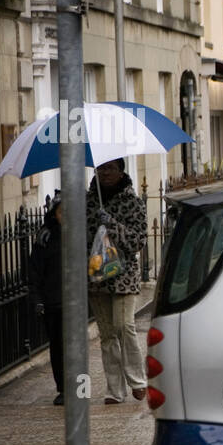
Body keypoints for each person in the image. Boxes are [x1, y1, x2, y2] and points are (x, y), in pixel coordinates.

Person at [85, 159, 147, 405]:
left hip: (123, 274)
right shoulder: (88, 201)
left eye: (110, 169)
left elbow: (137, 241)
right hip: (97, 275)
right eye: (101, 169)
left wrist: (110, 223)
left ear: (121, 171)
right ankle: (114, 389)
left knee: (124, 326)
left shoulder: (132, 202)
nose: (105, 173)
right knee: (107, 334)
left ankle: (137, 380)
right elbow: (79, 236)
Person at [28, 194, 66, 405]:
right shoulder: (45, 237)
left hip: (75, 301)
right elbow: (35, 272)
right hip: (53, 301)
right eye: (62, 212)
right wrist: (37, 299)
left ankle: (80, 387)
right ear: (54, 214)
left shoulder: (80, 235)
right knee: (58, 346)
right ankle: (63, 388)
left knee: (77, 348)